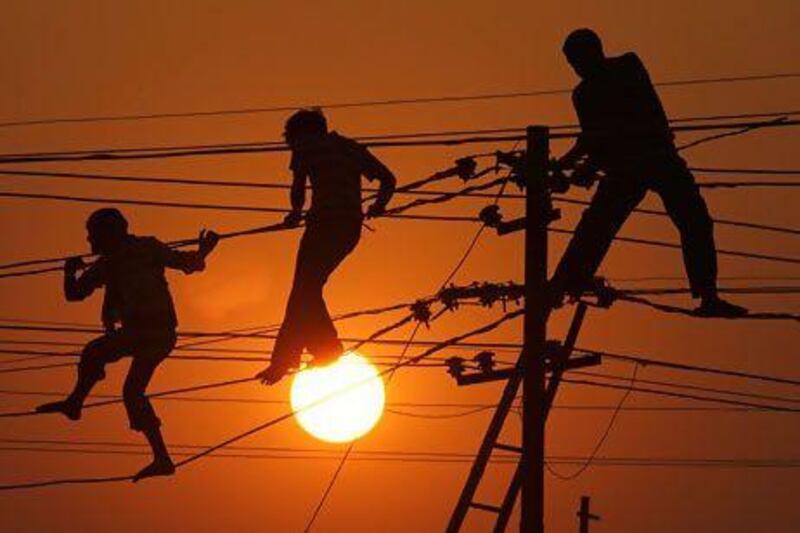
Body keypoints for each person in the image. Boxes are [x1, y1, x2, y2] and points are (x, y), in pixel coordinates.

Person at [550, 28, 747, 317]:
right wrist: (568, 165)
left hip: (654, 157)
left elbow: (615, 126)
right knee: (596, 226)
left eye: (578, 60)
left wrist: (581, 165)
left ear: (595, 52)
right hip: (628, 165)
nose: (577, 69)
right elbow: (593, 138)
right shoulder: (583, 94)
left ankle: (707, 295)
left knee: (694, 220)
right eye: (572, 64)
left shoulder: (627, 66)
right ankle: (566, 281)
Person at [36, 208, 219, 482]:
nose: (89, 241)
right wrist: (69, 272)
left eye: (92, 234)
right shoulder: (110, 263)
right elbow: (75, 294)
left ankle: (75, 403)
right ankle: (162, 458)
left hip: (152, 331)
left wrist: (204, 251)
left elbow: (187, 263)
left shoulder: (142, 249)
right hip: (150, 333)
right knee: (132, 392)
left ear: (110, 233)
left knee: (96, 354)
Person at [256, 109, 396, 385]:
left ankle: (318, 351)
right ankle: (296, 356)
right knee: (307, 290)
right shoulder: (348, 147)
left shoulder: (306, 149)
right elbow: (388, 179)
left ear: (304, 133)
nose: (289, 144)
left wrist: (295, 212)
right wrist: (379, 205)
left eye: (291, 138)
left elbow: (298, 188)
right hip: (348, 229)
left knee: (303, 291)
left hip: (323, 228)